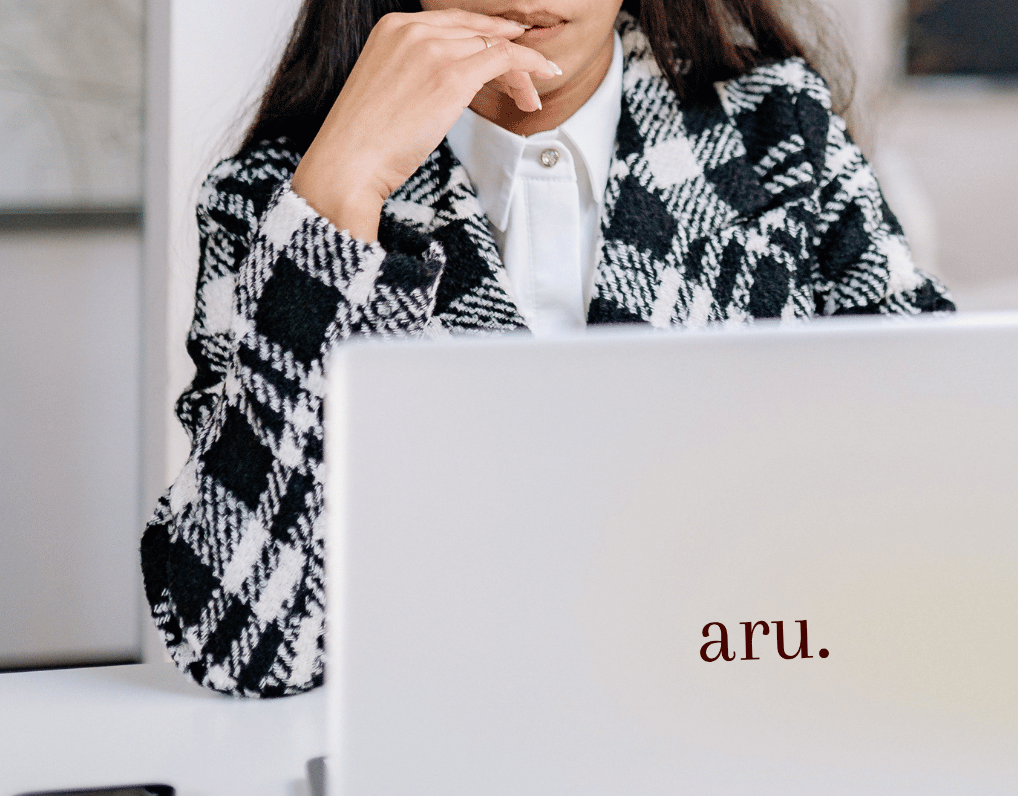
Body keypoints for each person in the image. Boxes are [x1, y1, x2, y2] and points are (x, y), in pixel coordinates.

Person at [140, 0, 953, 698]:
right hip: (432, 758)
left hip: (734, 712)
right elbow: (237, 645)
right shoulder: (281, 197)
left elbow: (953, 475)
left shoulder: (777, 127)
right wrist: (344, 191)